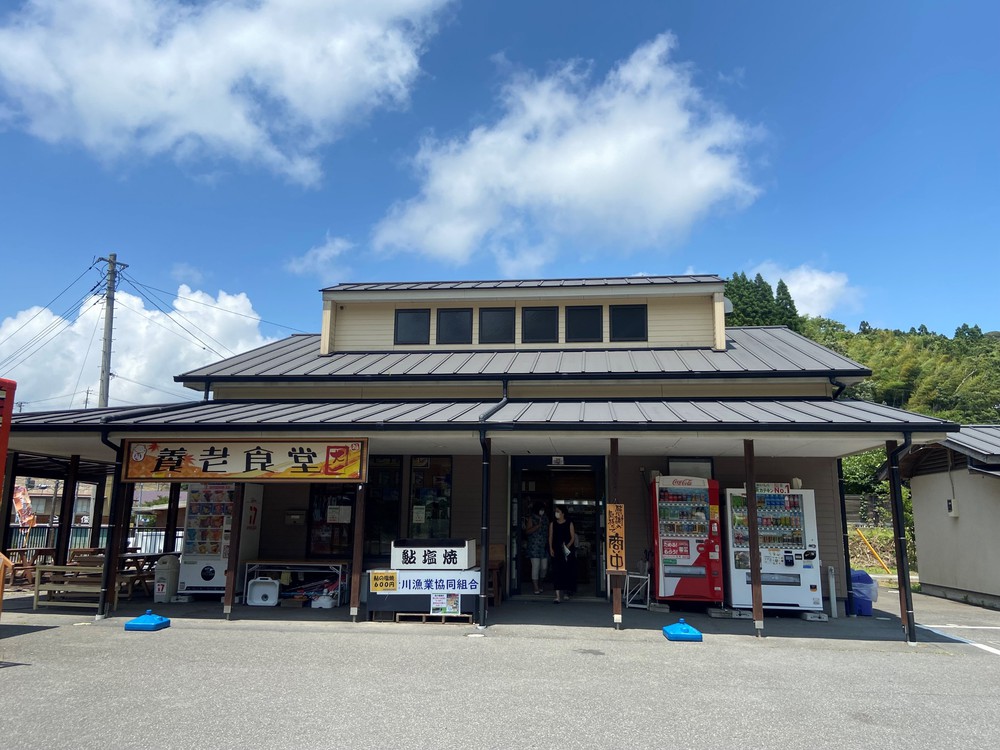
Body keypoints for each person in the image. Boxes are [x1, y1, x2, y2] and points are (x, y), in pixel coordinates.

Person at [548, 504, 577, 603]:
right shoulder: (553, 523)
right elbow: (550, 536)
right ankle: (557, 596)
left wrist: (567, 546)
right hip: (556, 549)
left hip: (567, 549)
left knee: (567, 570)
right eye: (556, 511)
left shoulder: (569, 523)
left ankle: (566, 592)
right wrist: (551, 547)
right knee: (556, 571)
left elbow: (573, 537)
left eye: (558, 511)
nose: (556, 513)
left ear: (563, 513)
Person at [523, 502, 548, 594]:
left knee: (544, 567)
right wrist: (537, 526)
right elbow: (527, 531)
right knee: (536, 566)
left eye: (543, 509)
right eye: (541, 509)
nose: (542, 511)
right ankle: (536, 587)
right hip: (534, 546)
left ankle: (541, 583)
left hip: (544, 546)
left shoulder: (546, 518)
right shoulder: (531, 518)